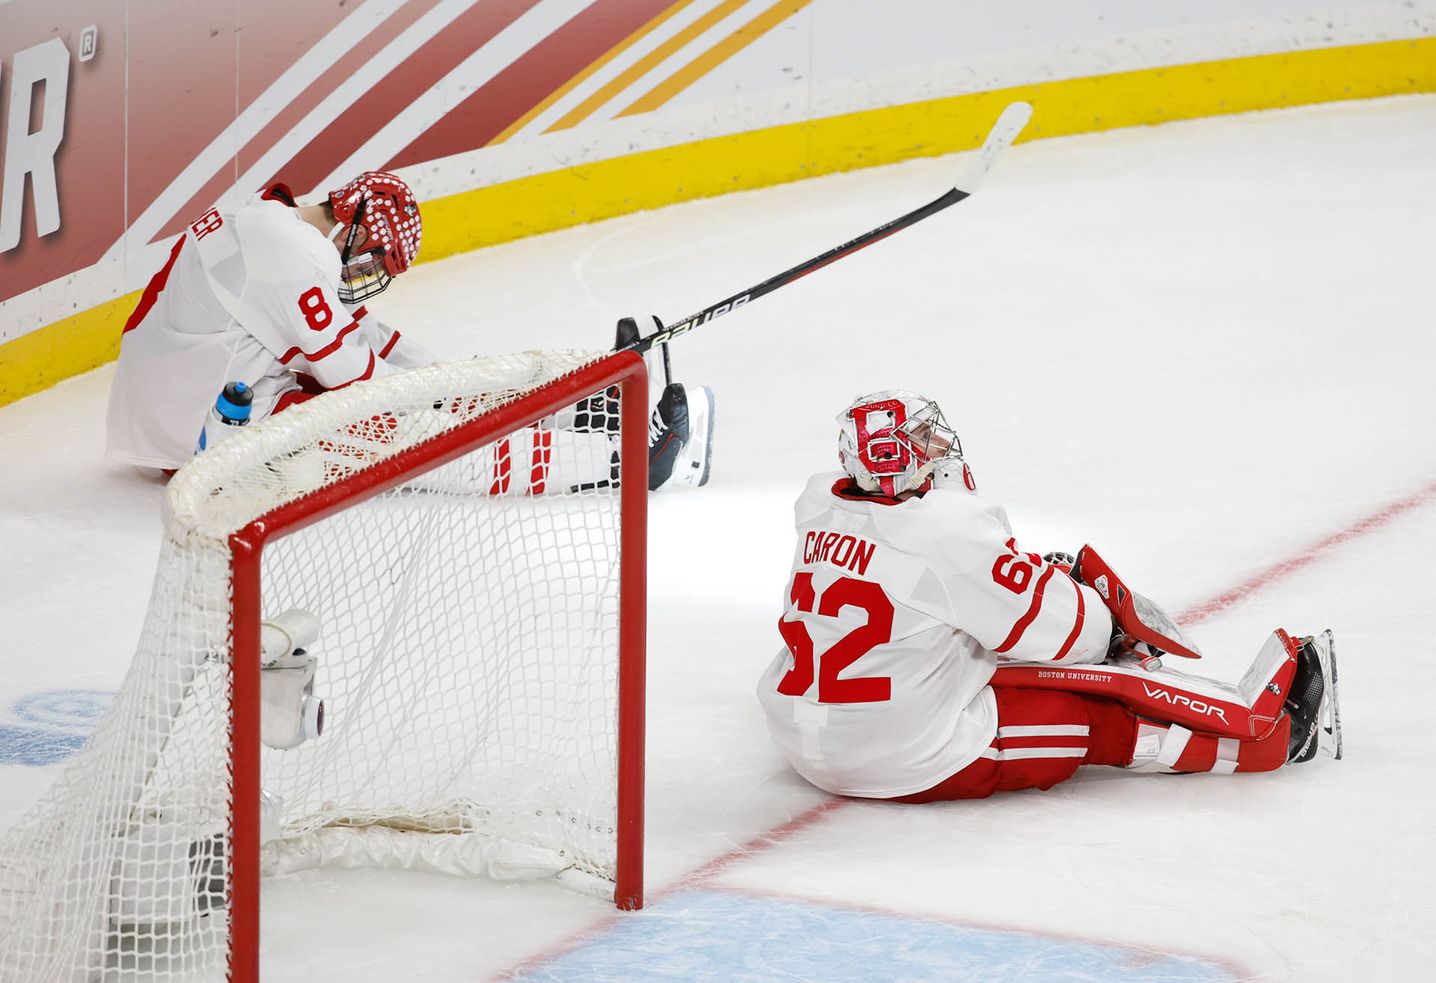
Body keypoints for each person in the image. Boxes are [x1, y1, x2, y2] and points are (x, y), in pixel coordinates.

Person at [756, 390, 1340, 803]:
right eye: (923, 439)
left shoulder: (820, 506)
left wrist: (1012, 579)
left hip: (801, 730)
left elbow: (925, 592)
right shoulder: (946, 531)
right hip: (901, 757)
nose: (939, 446)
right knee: (1080, 712)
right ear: (897, 460)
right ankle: (1269, 746)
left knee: (976, 653)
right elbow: (1074, 639)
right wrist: (1100, 617)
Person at [104, 171, 713, 489]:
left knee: (414, 377)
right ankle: (622, 462)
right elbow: (360, 381)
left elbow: (369, 338)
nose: (368, 274)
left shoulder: (270, 218)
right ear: (356, 226)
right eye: (374, 259)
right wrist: (454, 396)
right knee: (414, 440)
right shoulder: (291, 256)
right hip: (200, 440)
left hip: (193, 397)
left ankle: (585, 403)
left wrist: (471, 384)